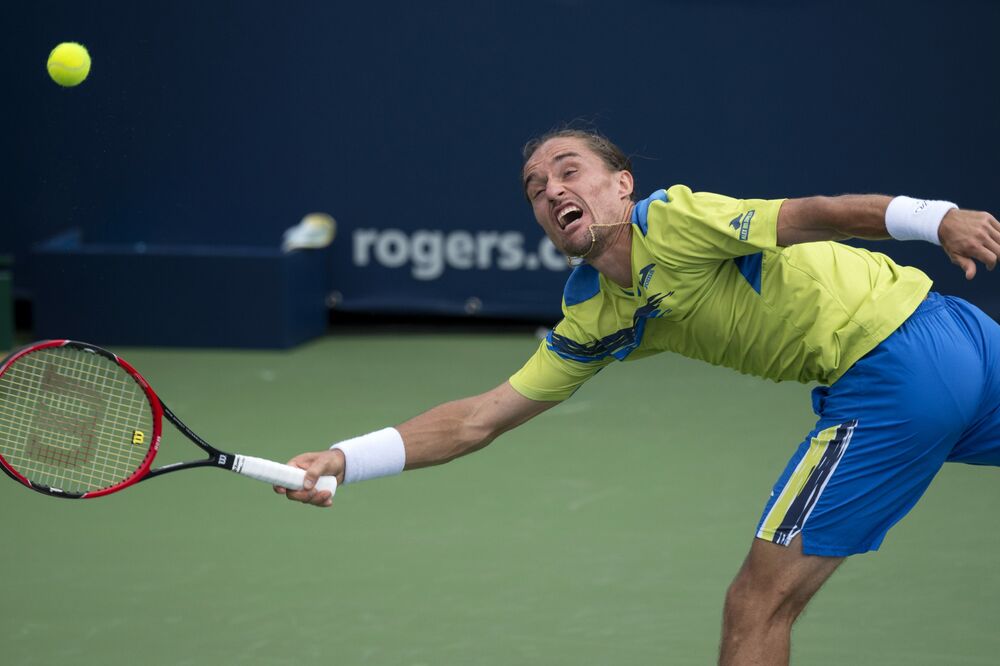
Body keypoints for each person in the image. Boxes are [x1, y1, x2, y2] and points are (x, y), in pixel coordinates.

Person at [274, 128, 1000, 665]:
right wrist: (345, 458)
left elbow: (817, 213)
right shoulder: (596, 316)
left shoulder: (676, 221)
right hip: (960, 339)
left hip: (894, 376)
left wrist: (936, 218)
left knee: (757, 604)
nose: (553, 188)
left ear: (622, 184)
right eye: (536, 187)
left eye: (570, 170)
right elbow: (476, 420)